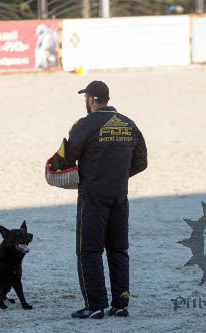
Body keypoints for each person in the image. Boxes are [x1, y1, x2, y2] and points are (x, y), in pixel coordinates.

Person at [63, 80, 147, 319]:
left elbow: (68, 158)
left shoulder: (84, 124)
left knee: (89, 251)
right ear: (107, 98)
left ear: (90, 99)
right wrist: (117, 175)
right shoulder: (129, 124)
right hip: (120, 196)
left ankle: (95, 305)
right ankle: (120, 304)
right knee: (119, 250)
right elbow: (141, 162)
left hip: (93, 197)